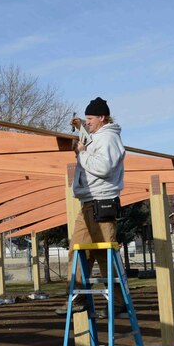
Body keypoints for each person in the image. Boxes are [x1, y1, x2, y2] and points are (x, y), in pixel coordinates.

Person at [70, 96, 125, 282]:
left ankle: (118, 303)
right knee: (77, 252)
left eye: (90, 119)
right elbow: (91, 140)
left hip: (102, 203)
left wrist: (82, 153)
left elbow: (103, 167)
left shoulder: (109, 138)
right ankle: (78, 298)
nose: (88, 122)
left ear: (102, 118)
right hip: (88, 203)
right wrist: (80, 127)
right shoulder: (97, 137)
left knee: (105, 255)